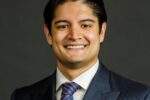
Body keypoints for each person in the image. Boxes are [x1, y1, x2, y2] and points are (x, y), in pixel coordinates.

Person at [11, 0, 150, 100]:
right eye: (63, 26)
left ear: (102, 31)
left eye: (85, 25)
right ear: (48, 35)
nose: (74, 36)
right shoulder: (22, 97)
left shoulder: (139, 96)